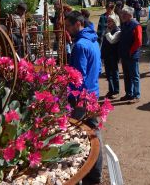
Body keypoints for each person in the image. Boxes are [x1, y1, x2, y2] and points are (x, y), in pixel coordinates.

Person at [65, 11, 103, 184]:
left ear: (77, 24)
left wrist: (70, 95)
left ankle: (90, 175)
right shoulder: (93, 40)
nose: (67, 29)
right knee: (94, 134)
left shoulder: (80, 45)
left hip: (82, 98)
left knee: (84, 136)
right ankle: (95, 175)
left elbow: (78, 77)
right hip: (93, 93)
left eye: (68, 25)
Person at [119, 7, 143, 103]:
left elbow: (139, 41)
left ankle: (136, 95)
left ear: (130, 15)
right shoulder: (124, 24)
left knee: (135, 76)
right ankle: (129, 94)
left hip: (132, 55)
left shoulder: (136, 25)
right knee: (127, 75)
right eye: (122, 14)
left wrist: (130, 51)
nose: (122, 16)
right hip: (124, 54)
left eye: (124, 14)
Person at [102, 15, 121, 99]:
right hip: (107, 54)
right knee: (108, 74)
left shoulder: (118, 31)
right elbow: (104, 43)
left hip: (113, 55)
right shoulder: (107, 30)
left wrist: (107, 33)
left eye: (110, 21)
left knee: (114, 73)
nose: (108, 23)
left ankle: (116, 91)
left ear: (115, 22)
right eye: (108, 21)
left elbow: (112, 40)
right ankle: (111, 90)